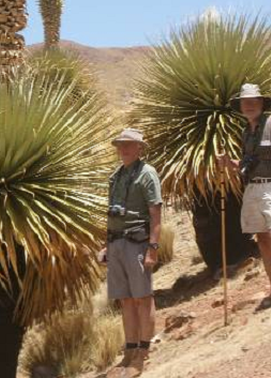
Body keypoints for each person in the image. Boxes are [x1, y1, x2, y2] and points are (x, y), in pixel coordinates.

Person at [217, 83, 271, 310]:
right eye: (245, 102)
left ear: (262, 103)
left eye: (254, 101)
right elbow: (246, 165)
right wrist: (229, 162)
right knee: (263, 239)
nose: (249, 105)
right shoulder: (247, 132)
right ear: (241, 106)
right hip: (253, 189)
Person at [98, 128, 162, 375]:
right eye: (121, 145)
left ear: (139, 148)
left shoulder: (147, 174)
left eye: (129, 145)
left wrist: (153, 247)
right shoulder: (116, 176)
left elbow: (155, 212)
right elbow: (111, 213)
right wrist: (106, 244)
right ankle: (130, 349)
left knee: (142, 296)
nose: (124, 149)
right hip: (116, 243)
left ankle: (144, 350)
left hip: (137, 242)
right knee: (125, 299)